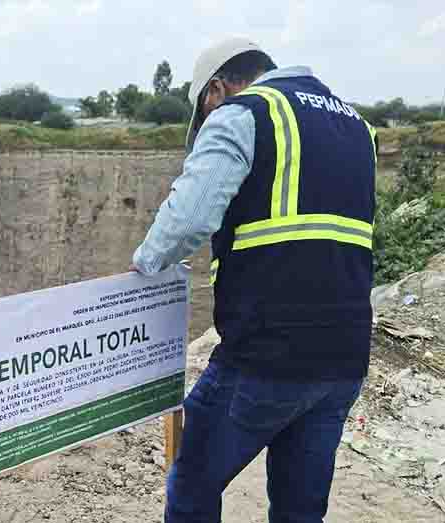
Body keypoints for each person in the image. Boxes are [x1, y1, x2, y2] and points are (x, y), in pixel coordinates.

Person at [131, 37, 378, 522]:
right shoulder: (357, 126)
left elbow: (189, 220)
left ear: (214, 92)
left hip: (267, 354)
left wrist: (139, 270)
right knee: (300, 506)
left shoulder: (244, 113)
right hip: (344, 356)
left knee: (193, 480)